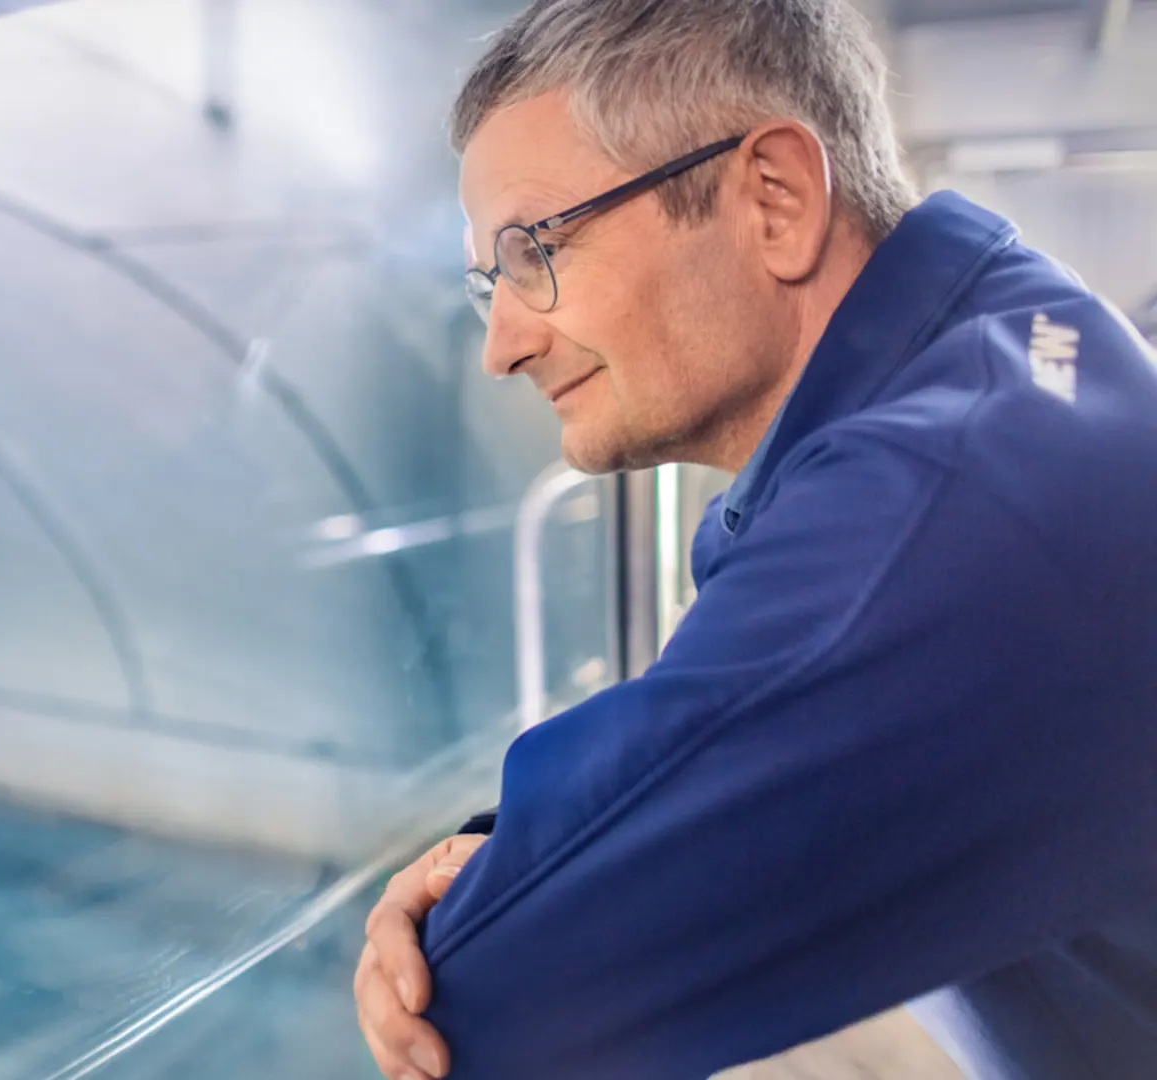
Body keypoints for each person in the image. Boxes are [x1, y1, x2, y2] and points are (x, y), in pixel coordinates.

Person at [351, 1, 1157, 1078]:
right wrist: (511, 843)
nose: (502, 344)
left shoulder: (946, 502)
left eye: (535, 249)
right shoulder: (997, 347)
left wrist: (482, 900)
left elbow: (494, 995)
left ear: (774, 198)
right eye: (487, 279)